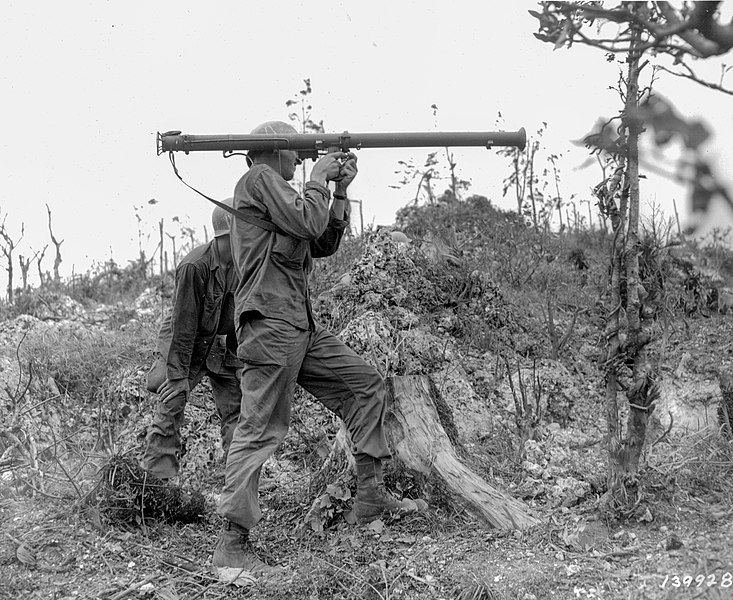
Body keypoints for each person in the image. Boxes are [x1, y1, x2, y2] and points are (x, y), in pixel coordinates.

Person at [212, 121, 423, 576]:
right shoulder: (258, 180)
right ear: (276, 151)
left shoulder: (280, 195)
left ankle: (369, 500)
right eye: (299, 154)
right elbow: (309, 218)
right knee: (259, 428)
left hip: (299, 325)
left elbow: (321, 239)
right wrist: (317, 180)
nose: (302, 161)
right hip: (270, 327)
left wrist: (340, 191)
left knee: (364, 385)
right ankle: (231, 544)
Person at [140, 199, 242, 480]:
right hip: (184, 344)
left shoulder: (245, 266)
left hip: (221, 346)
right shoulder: (194, 267)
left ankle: (239, 480)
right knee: (171, 404)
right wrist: (178, 375)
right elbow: (183, 326)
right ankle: (156, 482)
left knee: (236, 413)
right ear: (226, 235)